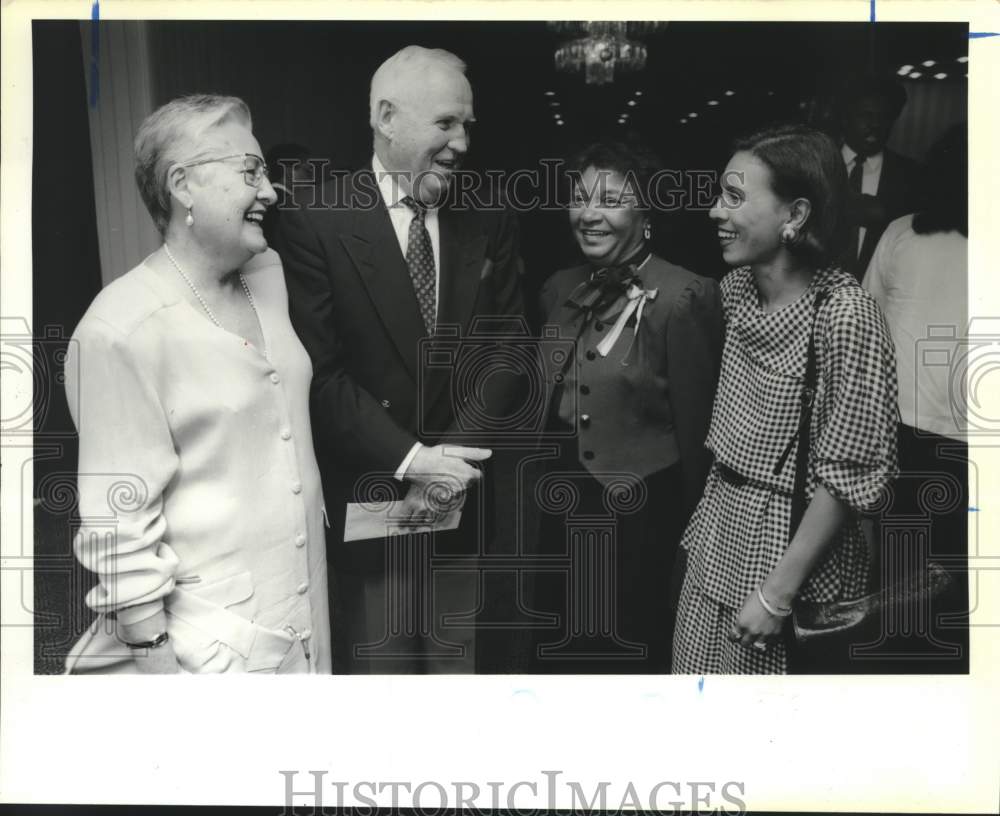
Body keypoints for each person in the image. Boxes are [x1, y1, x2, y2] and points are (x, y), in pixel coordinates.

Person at [274, 46, 527, 673]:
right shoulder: (314, 221)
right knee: (380, 682)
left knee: (452, 672)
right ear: (387, 118)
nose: (462, 142)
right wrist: (413, 460)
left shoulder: (488, 214)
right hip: (372, 497)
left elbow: (507, 347)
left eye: (466, 125)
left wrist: (451, 463)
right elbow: (319, 372)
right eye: (446, 123)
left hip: (459, 497)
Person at [64, 95, 331, 674]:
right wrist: (159, 670)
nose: (271, 192)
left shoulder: (268, 277)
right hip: (205, 653)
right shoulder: (120, 329)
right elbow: (118, 527)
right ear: (183, 184)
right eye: (251, 172)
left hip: (304, 620)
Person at [672, 123, 898, 674]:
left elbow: (849, 475)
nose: (714, 213)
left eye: (734, 197)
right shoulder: (736, 293)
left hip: (788, 548)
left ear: (794, 215)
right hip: (717, 529)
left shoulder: (846, 315)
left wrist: (777, 594)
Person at [534, 141, 723, 673]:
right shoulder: (557, 287)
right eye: (579, 197)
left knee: (625, 644)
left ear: (645, 214)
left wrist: (693, 538)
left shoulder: (686, 296)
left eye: (611, 200)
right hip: (560, 499)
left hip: (640, 514)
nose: (589, 214)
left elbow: (697, 431)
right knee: (560, 636)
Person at [863, 124, 969, 668]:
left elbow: (866, 320)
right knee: (947, 573)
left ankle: (903, 664)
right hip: (918, 429)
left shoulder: (903, 232)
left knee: (905, 572)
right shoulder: (901, 233)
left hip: (915, 428)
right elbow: (867, 321)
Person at [837, 76, 922, 280]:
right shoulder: (815, 165)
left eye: (884, 117)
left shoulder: (912, 176)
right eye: (866, 115)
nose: (875, 125)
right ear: (845, 118)